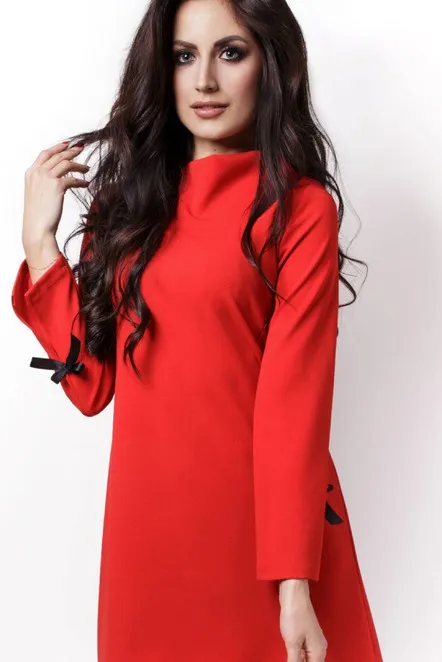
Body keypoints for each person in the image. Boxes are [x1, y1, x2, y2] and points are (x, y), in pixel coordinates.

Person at [11, 0, 383, 660]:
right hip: (146, 538)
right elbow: (92, 386)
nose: (205, 80)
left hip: (259, 540)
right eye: (184, 56)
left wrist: (293, 583)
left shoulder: (298, 210)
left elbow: (294, 404)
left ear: (270, 64)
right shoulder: (125, 207)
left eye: (230, 53)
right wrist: (40, 247)